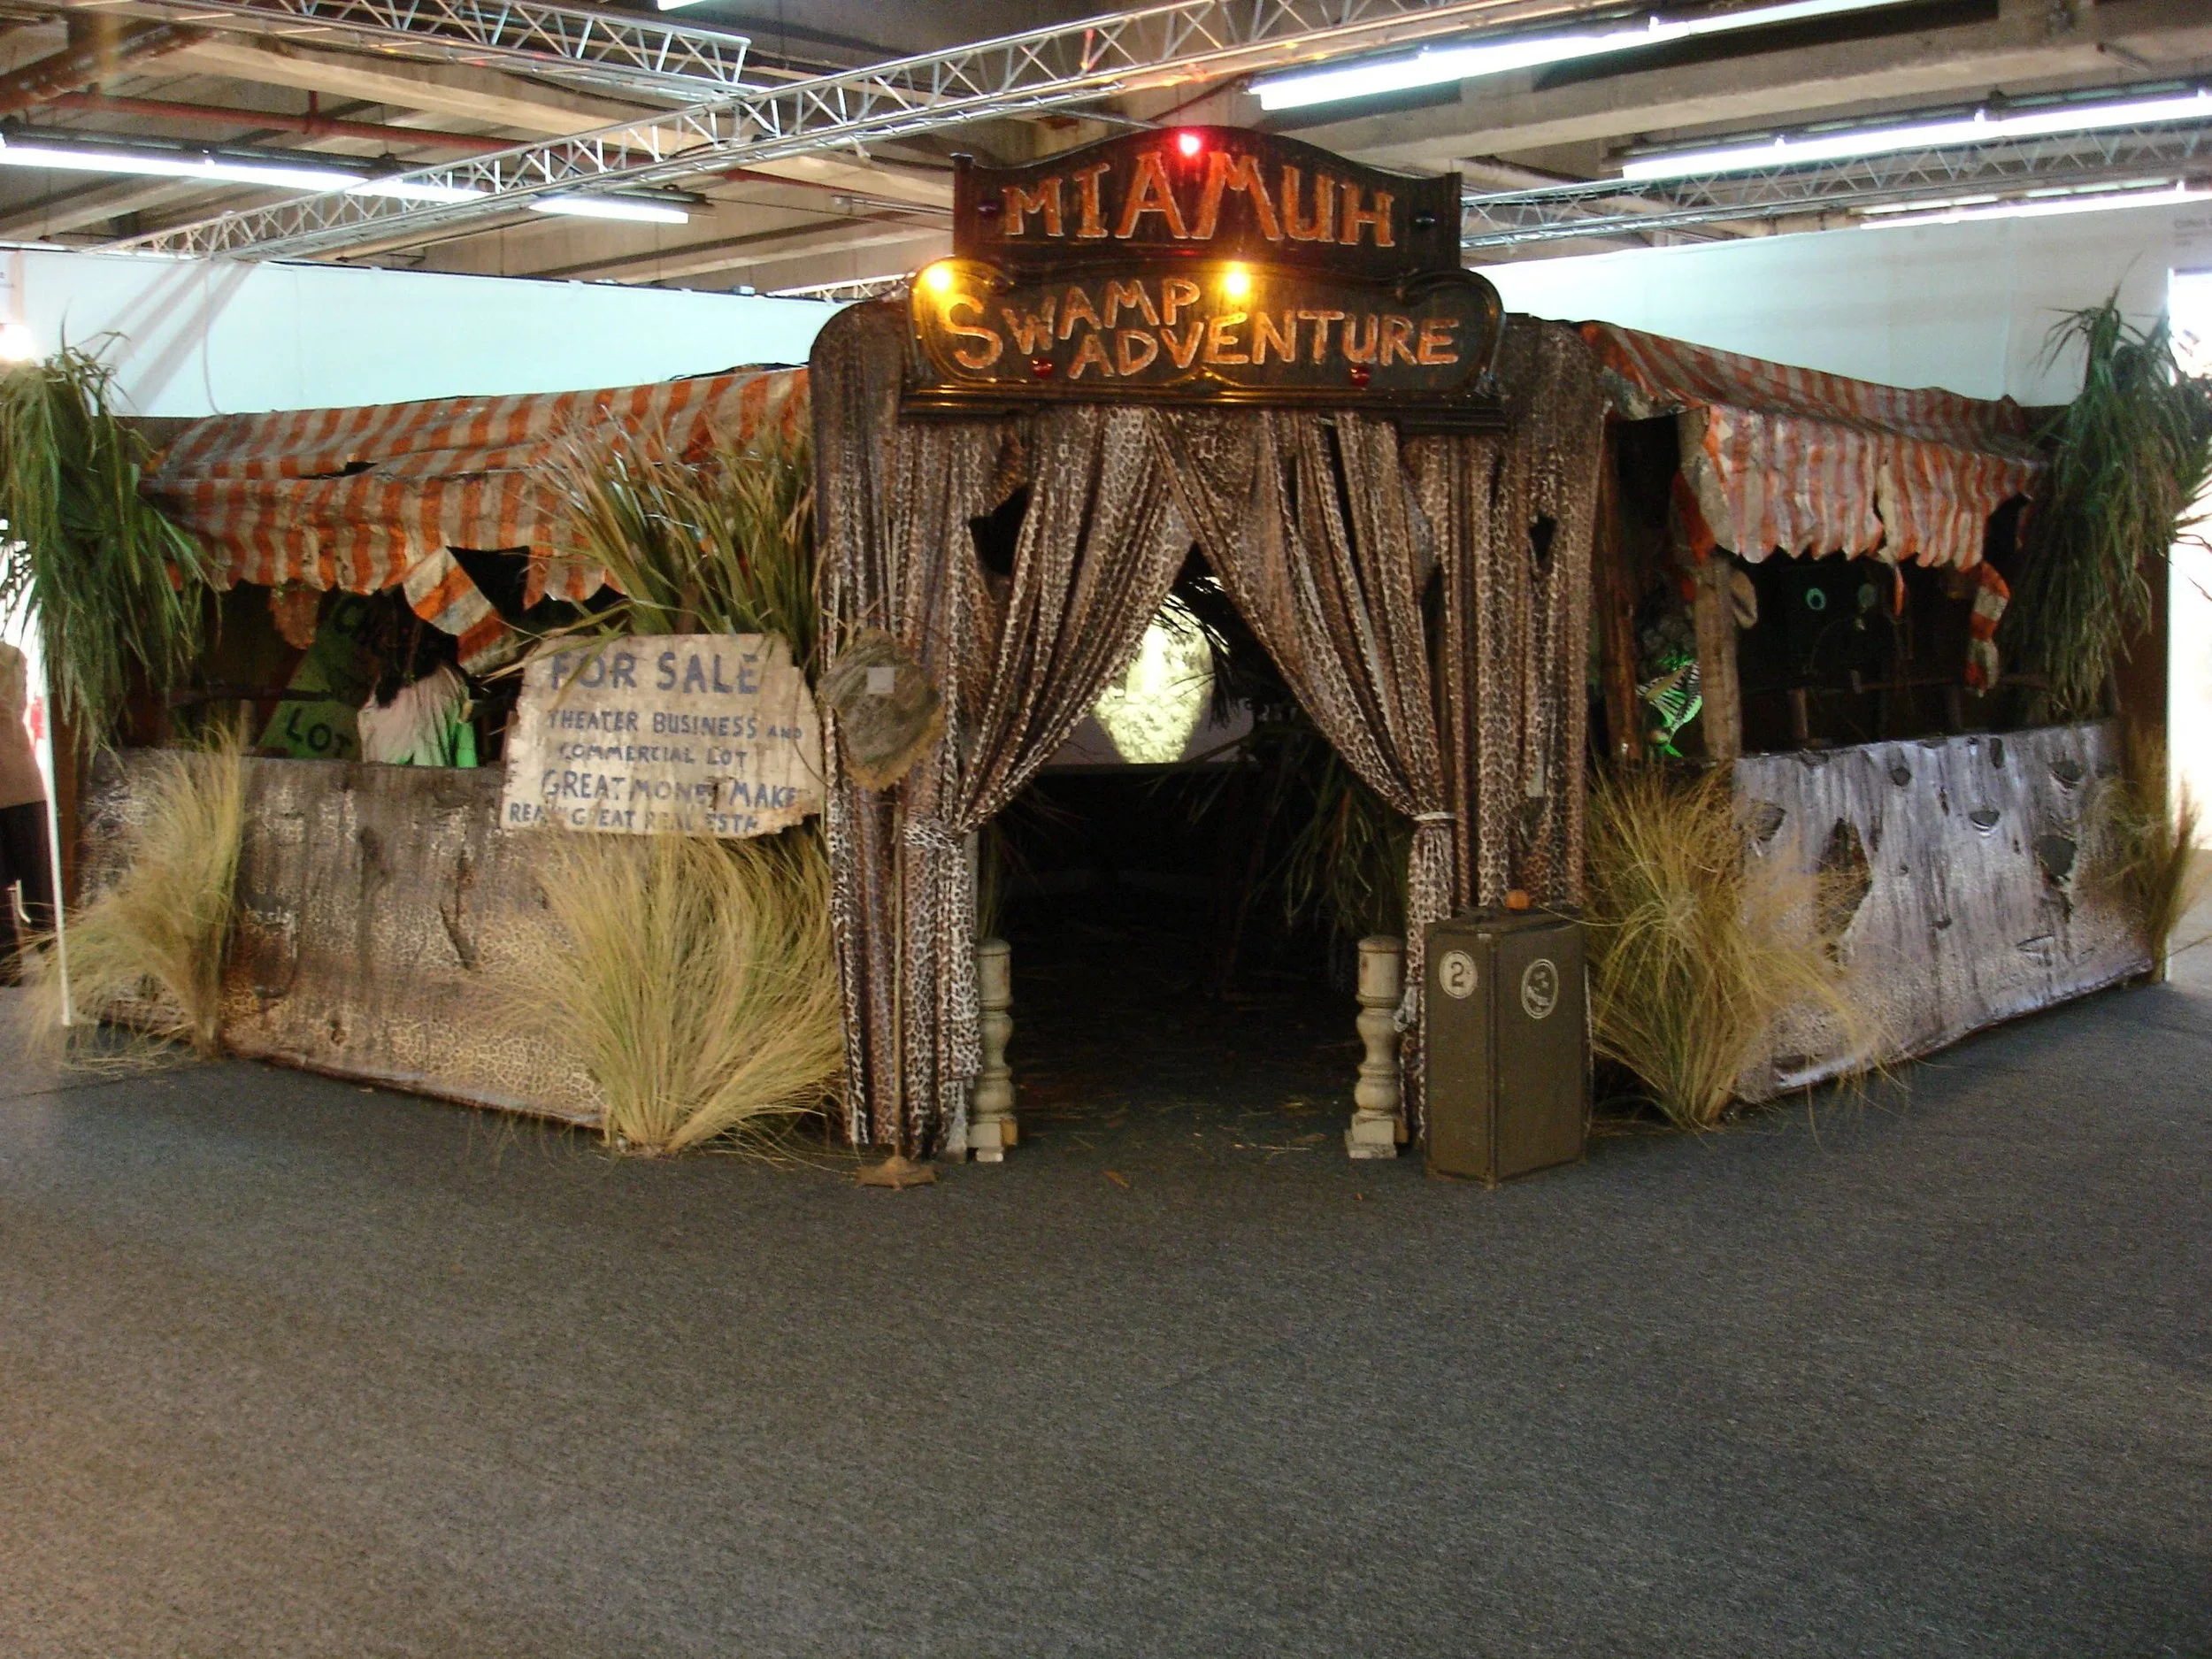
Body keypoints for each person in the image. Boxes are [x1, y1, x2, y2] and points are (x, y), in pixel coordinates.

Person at [0, 641, 54, 981]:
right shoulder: (9, 656)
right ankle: (8, 967)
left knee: (40, 889)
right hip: (21, 783)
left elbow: (8, 707)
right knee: (37, 887)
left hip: (19, 786)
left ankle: (59, 962)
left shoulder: (8, 657)